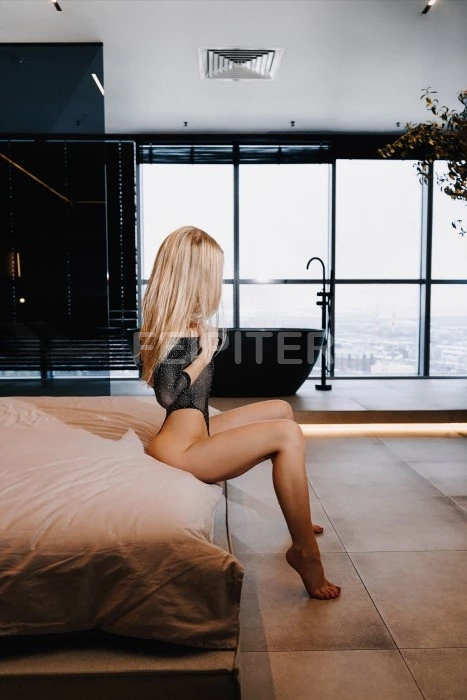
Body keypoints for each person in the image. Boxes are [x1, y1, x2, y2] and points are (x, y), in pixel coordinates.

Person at [140, 225, 341, 600]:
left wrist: (203, 341)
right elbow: (167, 395)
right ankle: (304, 552)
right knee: (287, 435)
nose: (216, 282)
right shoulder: (169, 329)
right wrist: (203, 355)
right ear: (194, 275)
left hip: (197, 432)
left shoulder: (188, 324)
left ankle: (298, 516)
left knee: (281, 410)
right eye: (212, 272)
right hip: (180, 450)